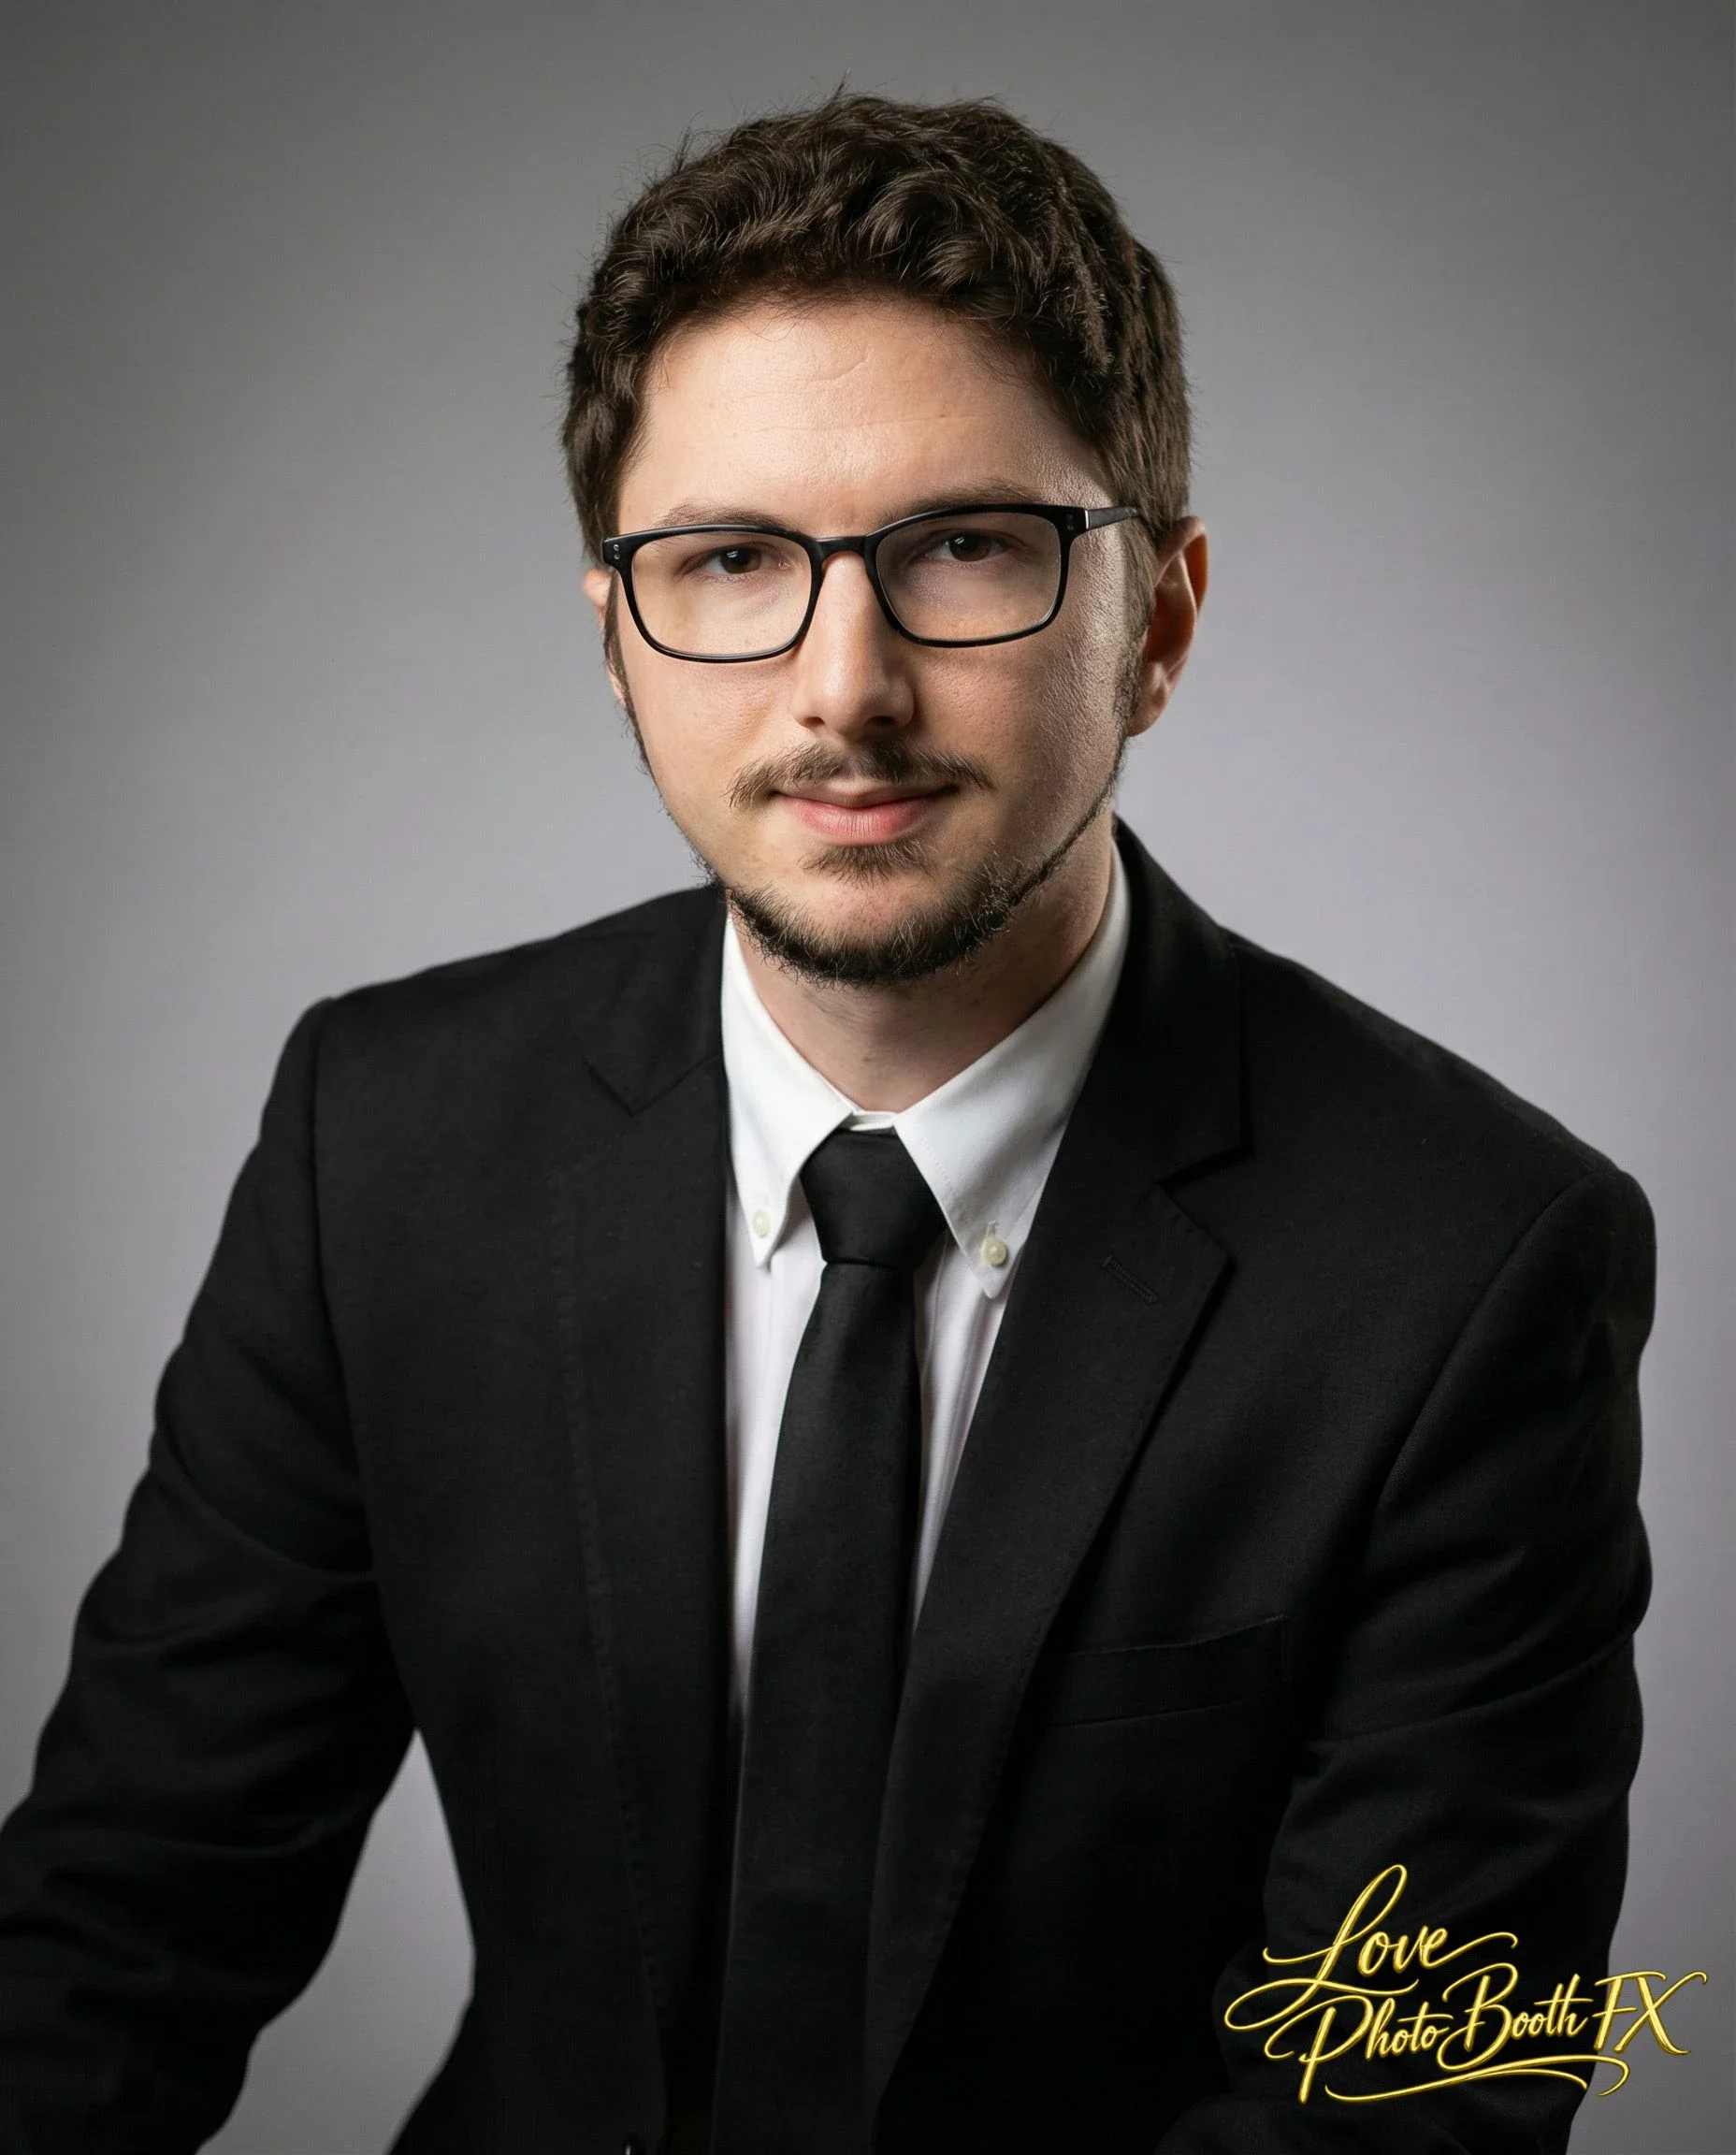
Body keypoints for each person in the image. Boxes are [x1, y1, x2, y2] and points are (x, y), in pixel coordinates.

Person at [0, 91, 1653, 2155]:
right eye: (728, 562)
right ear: (618, 637)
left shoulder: (1472, 1267)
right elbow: (116, 1926)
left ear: (1159, 619)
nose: (841, 686)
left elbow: (1408, 2101)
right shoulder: (384, 1144)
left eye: (964, 547)